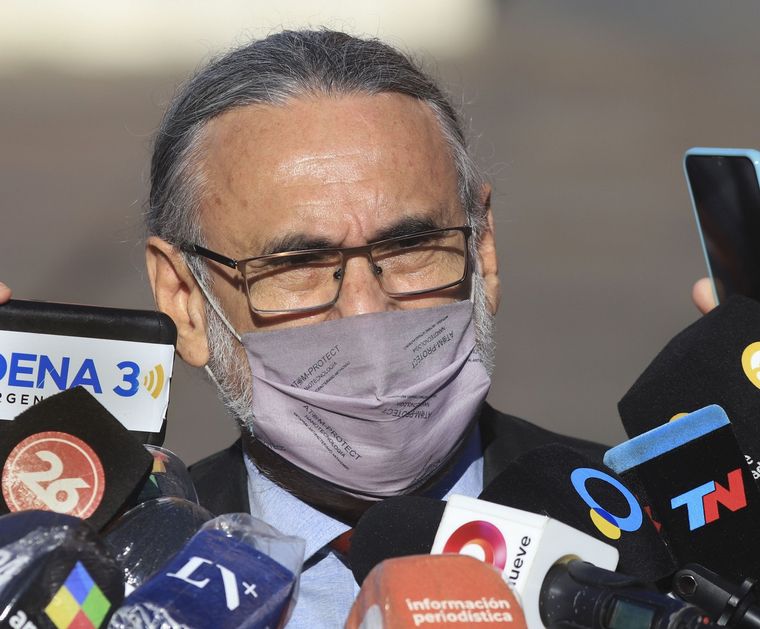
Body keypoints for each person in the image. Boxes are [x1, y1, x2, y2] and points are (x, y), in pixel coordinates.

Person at [0, 30, 719, 627]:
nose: (367, 312)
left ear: (484, 251)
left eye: (411, 248)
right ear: (185, 299)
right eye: (297, 265)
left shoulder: (669, 536)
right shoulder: (93, 575)